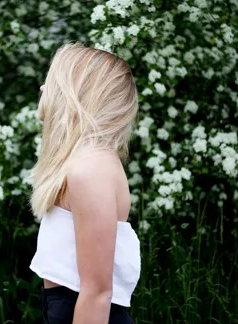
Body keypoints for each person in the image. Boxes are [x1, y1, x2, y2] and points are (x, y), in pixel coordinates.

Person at [29, 42, 141, 324]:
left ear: (77, 94)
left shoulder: (91, 168)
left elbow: (97, 292)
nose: (43, 88)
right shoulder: (86, 162)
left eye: (52, 81)